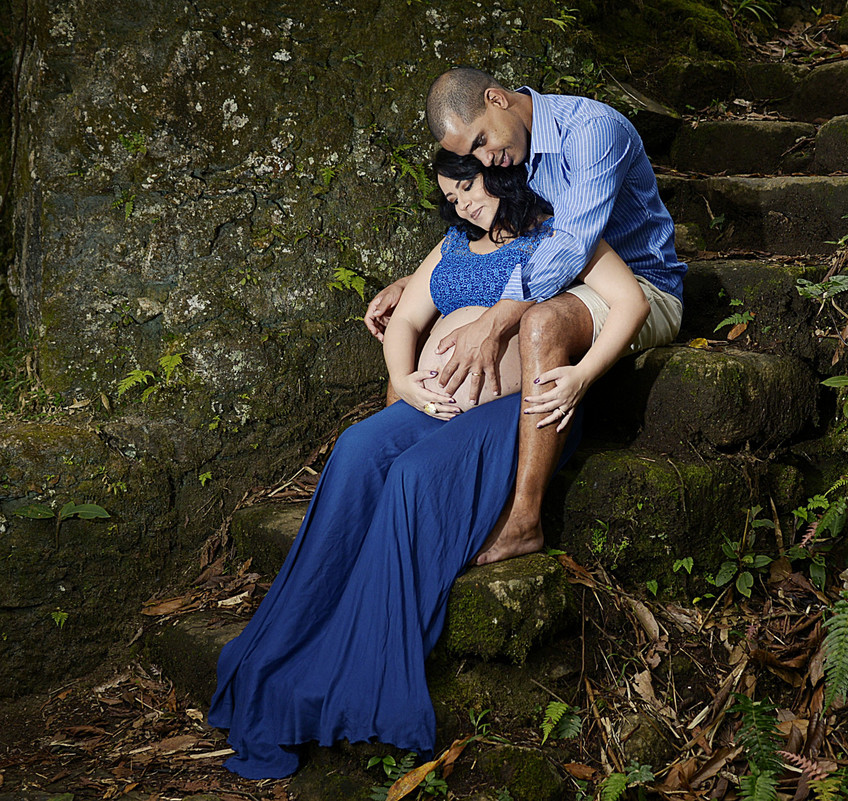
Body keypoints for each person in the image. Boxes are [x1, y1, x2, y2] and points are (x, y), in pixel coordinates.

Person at [208, 150, 651, 779]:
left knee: (413, 479)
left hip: (511, 414)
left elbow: (628, 302)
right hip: (435, 401)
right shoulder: (449, 245)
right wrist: (405, 383)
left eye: (468, 188)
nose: (462, 203)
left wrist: (580, 376)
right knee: (357, 448)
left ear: (500, 174)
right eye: (451, 195)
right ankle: (295, 634)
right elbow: (406, 321)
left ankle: (357, 667)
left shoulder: (558, 232)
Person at [365, 68, 687, 567]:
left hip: (639, 285)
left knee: (540, 324)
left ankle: (524, 519)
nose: (484, 158)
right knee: (437, 326)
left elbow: (568, 246)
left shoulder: (591, 132)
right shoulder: (516, 150)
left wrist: (494, 324)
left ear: (498, 98)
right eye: (473, 157)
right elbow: (514, 234)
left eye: (482, 141)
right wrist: (418, 283)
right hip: (577, 282)